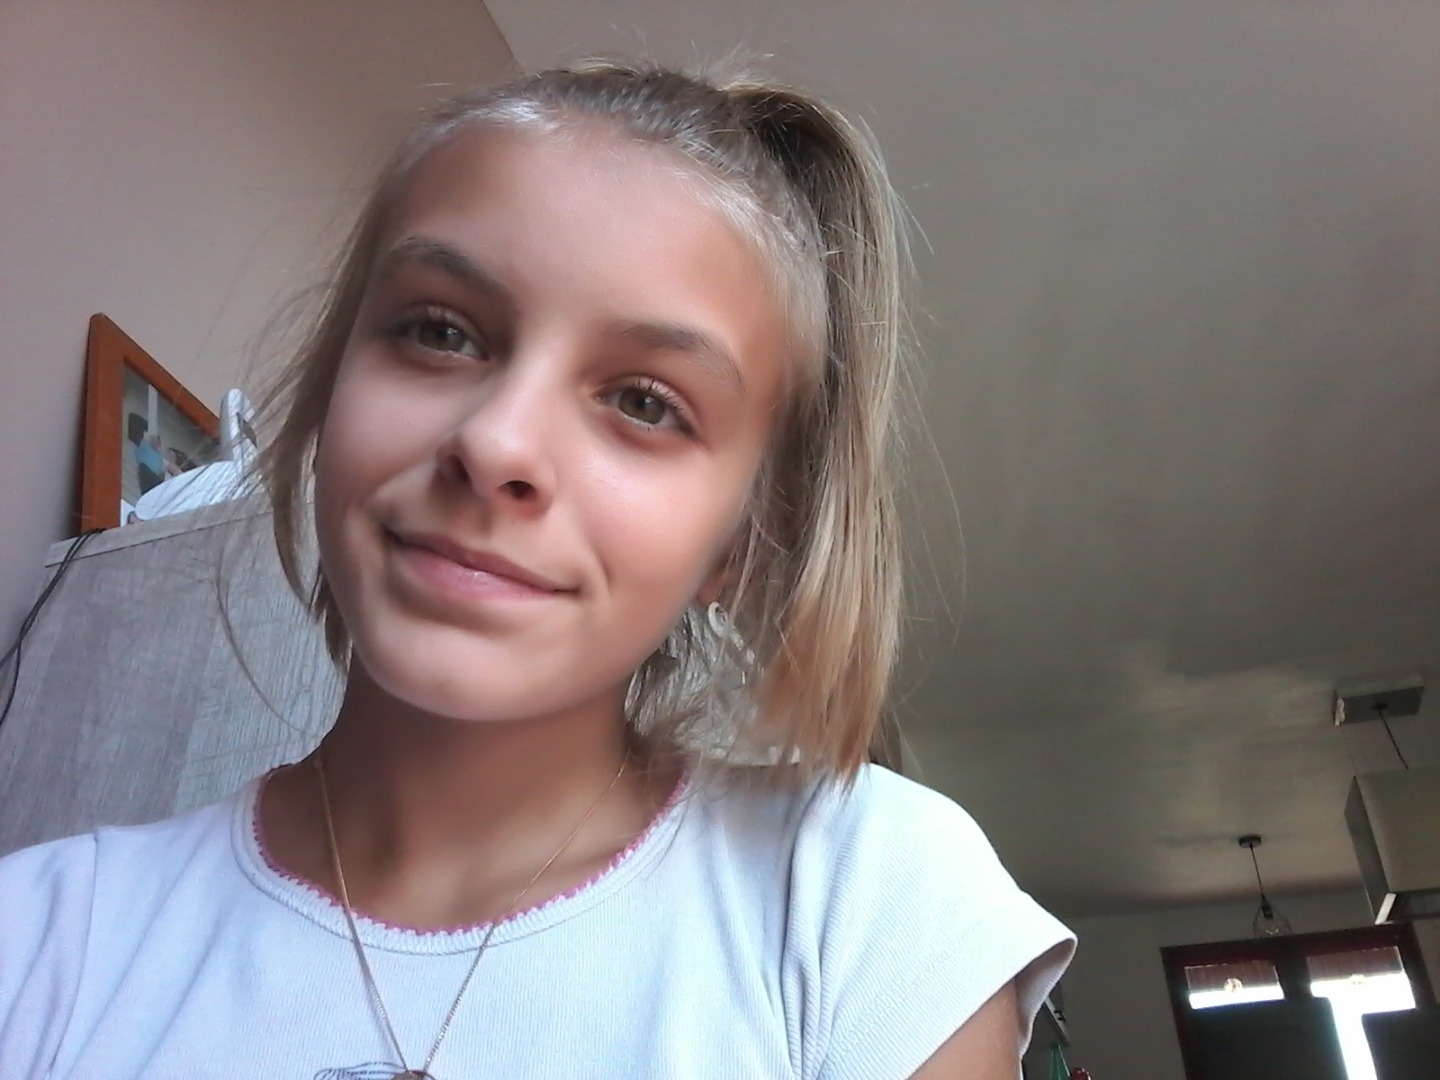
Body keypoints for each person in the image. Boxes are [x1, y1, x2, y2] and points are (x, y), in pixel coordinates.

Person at [0, 59, 1074, 1079]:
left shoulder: (870, 905)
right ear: (330, 390)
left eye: (644, 402)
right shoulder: (40, 941)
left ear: (739, 543)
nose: (496, 442)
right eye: (440, 332)